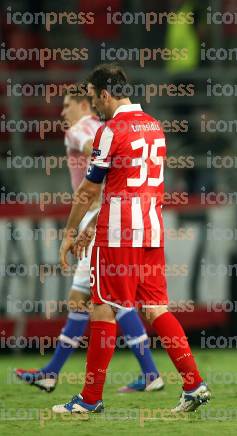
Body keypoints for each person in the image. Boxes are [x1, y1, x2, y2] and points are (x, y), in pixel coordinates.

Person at [52, 64, 210, 413]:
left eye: (94, 99)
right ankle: (194, 383)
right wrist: (93, 227)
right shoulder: (155, 127)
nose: (94, 108)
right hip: (151, 230)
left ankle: (90, 399)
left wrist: (72, 231)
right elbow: (129, 186)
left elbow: (90, 189)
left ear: (105, 94)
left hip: (119, 234)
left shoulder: (112, 130)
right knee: (156, 309)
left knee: (103, 307)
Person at [16, 89, 163, 394]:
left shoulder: (79, 131)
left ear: (85, 104)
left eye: (67, 105)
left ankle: (146, 374)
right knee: (89, 298)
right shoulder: (109, 127)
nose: (62, 112)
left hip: (101, 220)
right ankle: (53, 372)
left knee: (105, 299)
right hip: (123, 216)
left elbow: (86, 151)